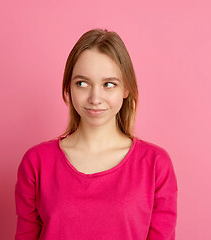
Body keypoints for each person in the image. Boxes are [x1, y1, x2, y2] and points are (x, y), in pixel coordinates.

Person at [15, 28, 178, 240]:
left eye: (109, 84)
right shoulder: (36, 162)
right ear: (69, 88)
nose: (95, 97)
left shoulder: (155, 165)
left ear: (126, 89)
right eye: (82, 83)